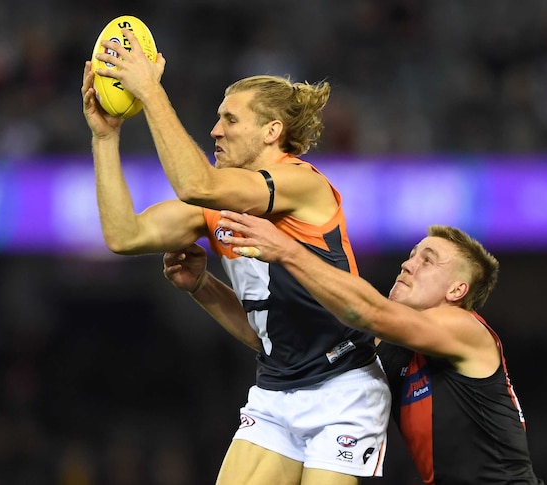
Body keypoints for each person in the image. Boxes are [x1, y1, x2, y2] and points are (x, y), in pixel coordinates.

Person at [81, 29, 390, 485]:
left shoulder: (302, 184)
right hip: (276, 388)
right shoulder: (215, 207)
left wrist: (149, 89)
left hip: (343, 387)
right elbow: (123, 235)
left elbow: (197, 185)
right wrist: (105, 139)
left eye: (230, 119)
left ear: (272, 132)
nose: (215, 130)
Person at [165, 210, 544, 484]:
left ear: (457, 291)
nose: (408, 264)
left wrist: (288, 250)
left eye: (427, 261)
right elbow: (275, 341)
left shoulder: (466, 330)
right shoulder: (392, 346)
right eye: (411, 254)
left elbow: (366, 311)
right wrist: (203, 286)